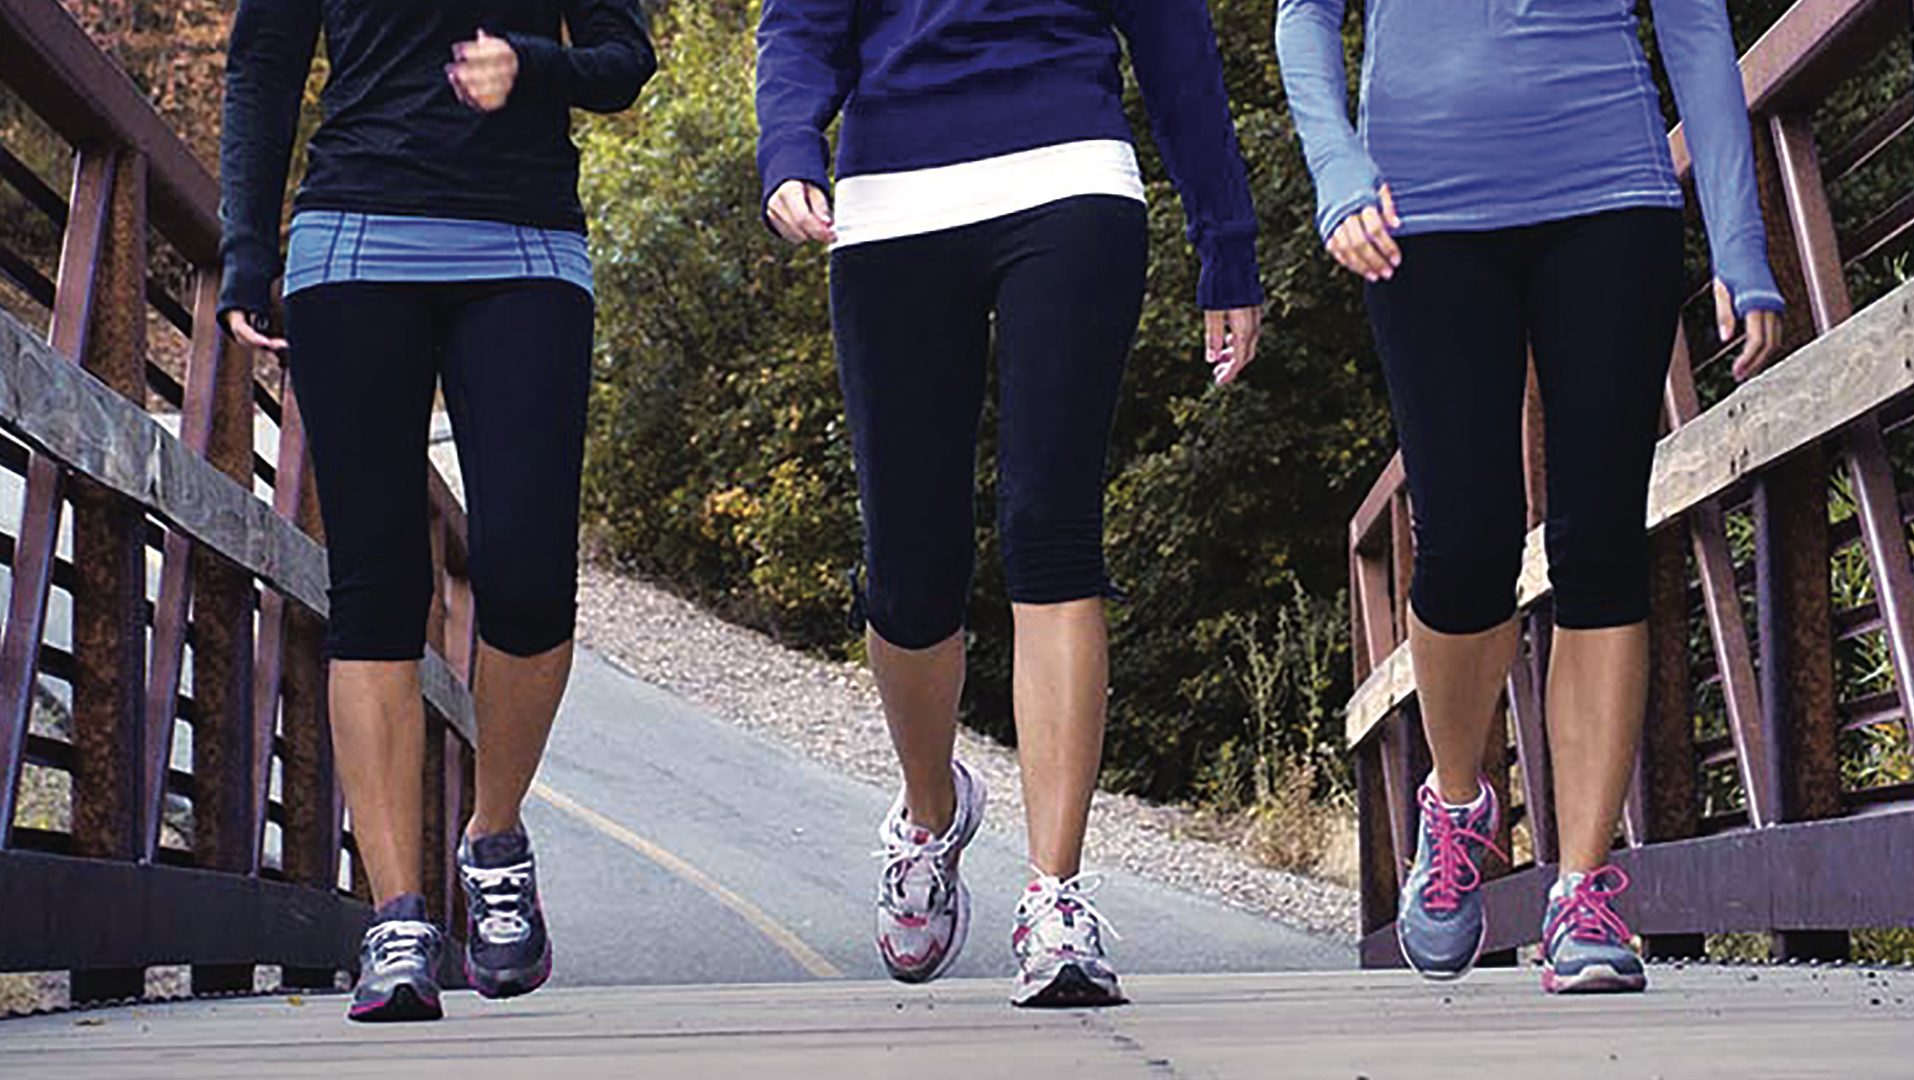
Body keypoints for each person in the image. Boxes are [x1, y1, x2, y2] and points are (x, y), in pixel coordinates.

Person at [756, 0, 1265, 1007]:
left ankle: (1056, 897)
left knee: (1051, 529)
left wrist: (1227, 239)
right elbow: (800, 21)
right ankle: (929, 808)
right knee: (909, 567)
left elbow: (1176, 47)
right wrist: (786, 144)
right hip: (892, 200)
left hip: (1069, 174)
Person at [1276, 0, 1784, 993]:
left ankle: (1585, 888)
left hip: (1610, 194)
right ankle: (1460, 802)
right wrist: (1336, 172)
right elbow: (1305, 18)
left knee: (1601, 542)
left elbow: (1694, 27)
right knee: (1466, 543)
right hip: (1419, 214)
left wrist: (1740, 242)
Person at [218, 0, 654, 1022]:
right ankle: (398, 917)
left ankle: (492, 842)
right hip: (354, 234)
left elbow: (624, 59)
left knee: (530, 573)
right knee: (376, 584)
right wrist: (245, 246)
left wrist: (534, 66)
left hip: (526, 242)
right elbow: (265, 66)